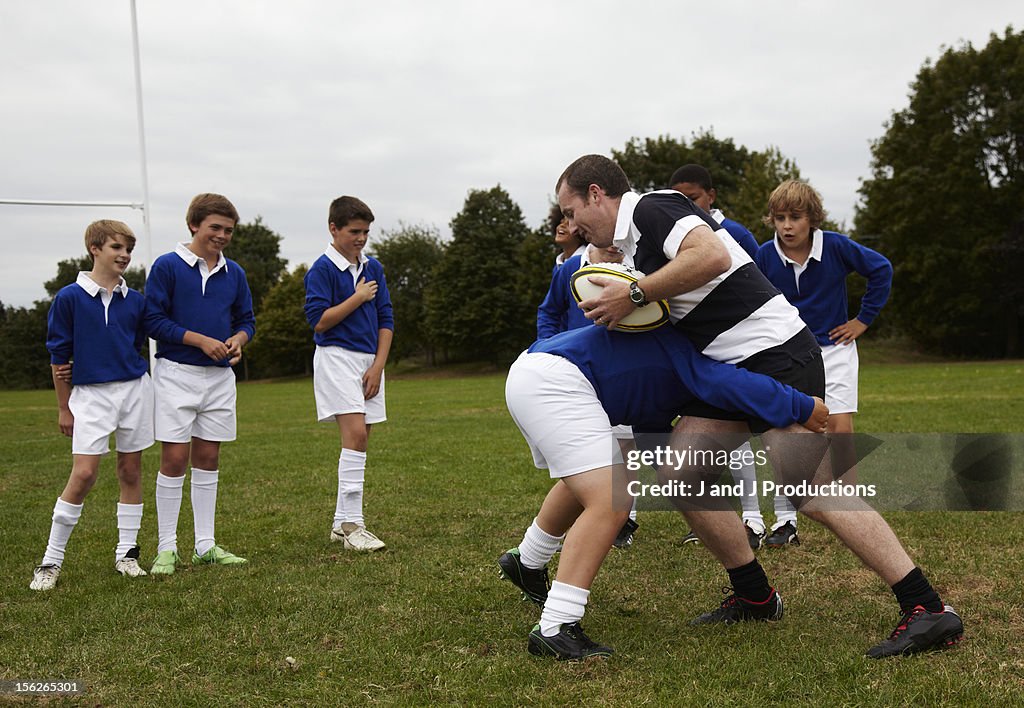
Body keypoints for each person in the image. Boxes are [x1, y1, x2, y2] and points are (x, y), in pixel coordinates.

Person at [554, 154, 963, 658]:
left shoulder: (652, 208)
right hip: (730, 372)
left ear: (598, 193)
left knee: (811, 492)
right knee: (682, 475)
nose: (572, 225)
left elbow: (711, 257)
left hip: (777, 356)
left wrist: (633, 291)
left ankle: (927, 608)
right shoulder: (631, 244)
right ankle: (755, 595)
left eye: (572, 210)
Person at [500, 323, 829, 660]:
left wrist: (687, 481)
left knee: (598, 477)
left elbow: (652, 433)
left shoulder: (656, 358)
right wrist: (802, 405)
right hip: (558, 381)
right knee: (610, 499)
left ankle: (528, 560)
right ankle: (557, 626)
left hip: (535, 369)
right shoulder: (685, 347)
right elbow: (727, 382)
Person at [755, 179, 893, 545]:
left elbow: (881, 270)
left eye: (795, 217)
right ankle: (790, 515)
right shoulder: (764, 256)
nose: (787, 226)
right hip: (785, 354)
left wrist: (862, 320)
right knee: (788, 432)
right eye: (780, 218)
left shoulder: (835, 246)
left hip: (835, 349)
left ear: (812, 219)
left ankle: (850, 510)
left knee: (840, 428)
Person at [30, 220, 153, 590]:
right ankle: (50, 561)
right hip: (90, 396)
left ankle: (127, 553)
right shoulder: (68, 297)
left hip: (134, 390)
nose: (125, 255)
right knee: (83, 474)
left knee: (131, 472)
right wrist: (64, 407)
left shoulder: (136, 300)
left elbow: (146, 338)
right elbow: (58, 356)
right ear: (95, 249)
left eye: (128, 249)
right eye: (117, 247)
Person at [144, 194, 255, 575]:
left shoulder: (235, 273)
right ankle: (166, 548)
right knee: (174, 460)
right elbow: (153, 321)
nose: (222, 236)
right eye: (215, 228)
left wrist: (238, 341)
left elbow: (247, 321)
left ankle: (205, 545)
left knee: (208, 459)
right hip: (176, 374)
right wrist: (198, 339)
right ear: (193, 225)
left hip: (220, 379)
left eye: (228, 230)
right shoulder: (166, 267)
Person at [669, 164, 767, 548]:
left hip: (736, 349)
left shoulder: (735, 234)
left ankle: (753, 518)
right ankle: (711, 517)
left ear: (711, 195)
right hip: (699, 353)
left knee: (738, 442)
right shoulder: (676, 237)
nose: (686, 206)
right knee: (697, 443)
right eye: (679, 199)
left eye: (691, 198)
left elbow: (759, 284)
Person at [304, 196, 394, 552]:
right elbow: (319, 321)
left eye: (366, 232)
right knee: (354, 435)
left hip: (370, 361)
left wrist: (377, 366)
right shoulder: (321, 270)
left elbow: (386, 320)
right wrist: (357, 298)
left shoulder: (375, 268)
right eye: (354, 231)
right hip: (336, 357)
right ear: (333, 229)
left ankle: (341, 523)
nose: (361, 239)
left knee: (360, 441)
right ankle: (354, 525)